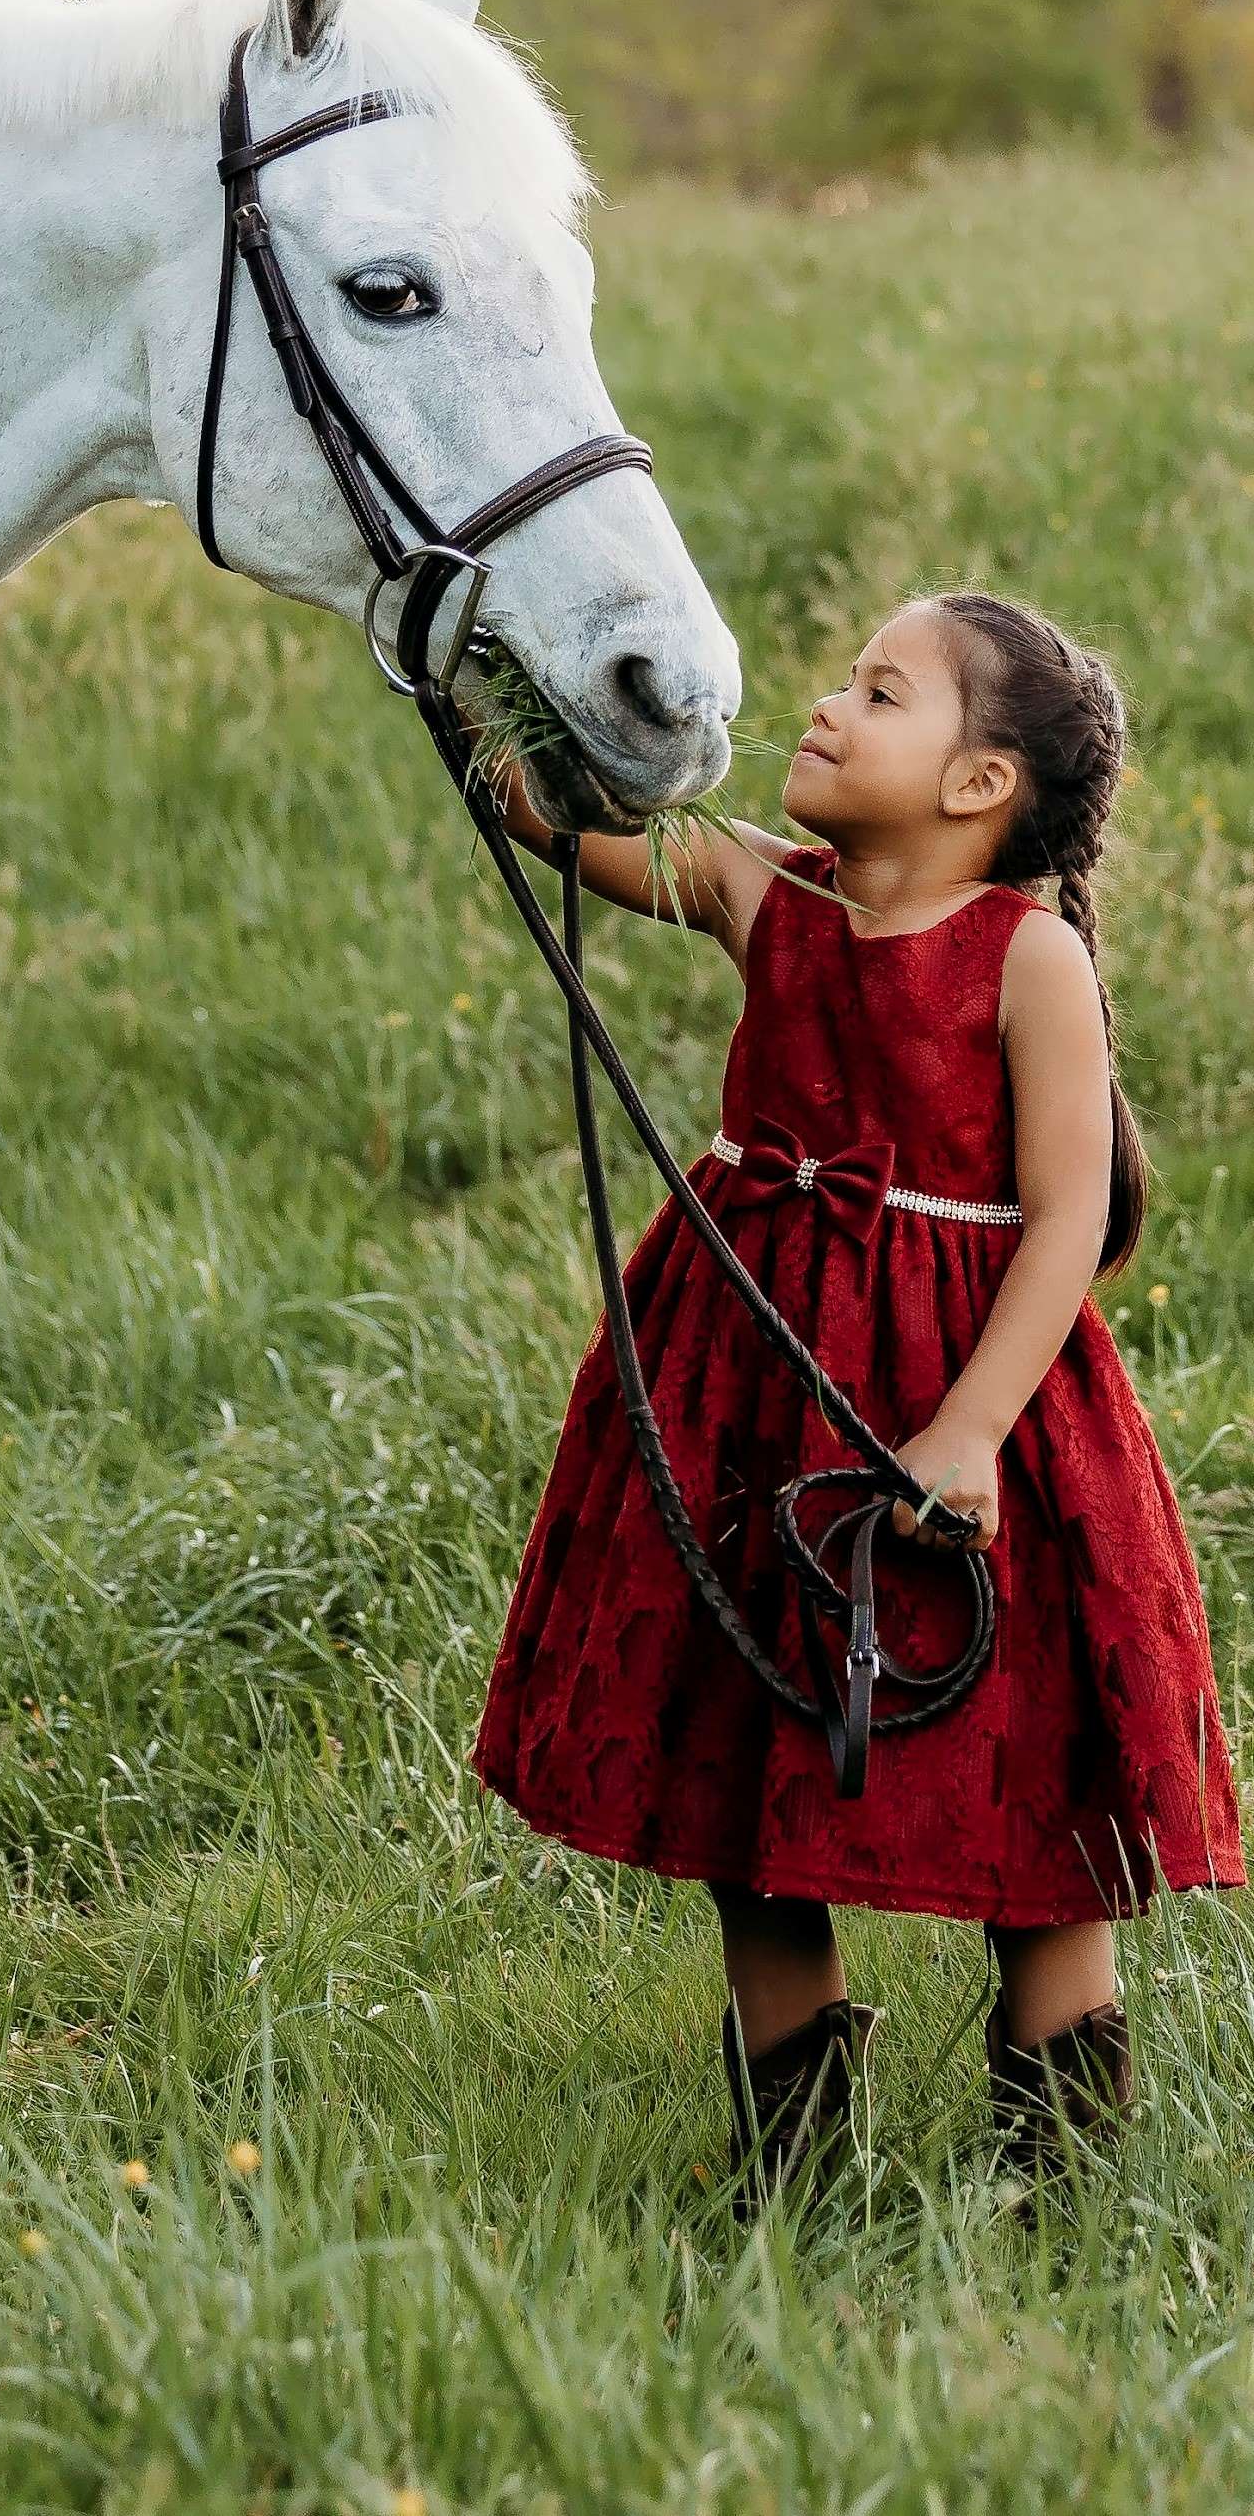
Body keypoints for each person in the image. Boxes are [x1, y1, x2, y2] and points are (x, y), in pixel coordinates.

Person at [471, 591, 1240, 2206]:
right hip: (757, 1388)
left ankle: (1061, 2171)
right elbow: (546, 811)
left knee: (1021, 1771)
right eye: (844, 679)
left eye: (880, 691)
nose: (825, 704)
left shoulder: (1028, 959)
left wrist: (967, 1427)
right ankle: (799, 2162)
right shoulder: (764, 890)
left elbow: (1071, 1217)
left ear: (978, 786)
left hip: (971, 1405)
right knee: (747, 1739)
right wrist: (494, 658)